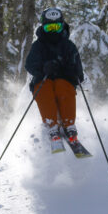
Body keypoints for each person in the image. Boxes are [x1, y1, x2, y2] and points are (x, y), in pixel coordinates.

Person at [25, 8, 84, 150]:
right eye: (49, 27)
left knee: (62, 85)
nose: (52, 31)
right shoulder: (38, 46)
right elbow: (29, 65)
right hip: (43, 80)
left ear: (62, 26)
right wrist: (43, 67)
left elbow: (79, 74)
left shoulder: (68, 46)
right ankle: (52, 126)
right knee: (44, 87)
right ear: (43, 27)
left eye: (56, 27)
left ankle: (69, 125)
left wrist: (68, 70)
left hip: (64, 82)